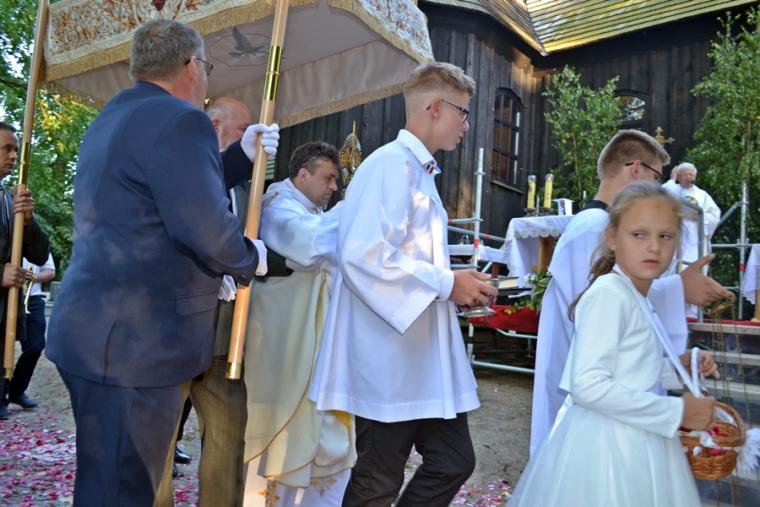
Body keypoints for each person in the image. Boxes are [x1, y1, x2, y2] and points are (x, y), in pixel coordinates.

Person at [45, 19, 277, 506]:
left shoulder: (113, 114)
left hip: (94, 332)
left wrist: (240, 156)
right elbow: (204, 227)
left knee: (105, 483)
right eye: (207, 66)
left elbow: (163, 189)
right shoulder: (182, 121)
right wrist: (248, 257)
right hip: (137, 344)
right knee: (123, 491)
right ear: (191, 65)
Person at [309, 62, 498, 507]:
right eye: (462, 113)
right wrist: (446, 283)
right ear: (434, 107)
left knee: (453, 460)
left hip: (419, 358)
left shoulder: (417, 170)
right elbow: (363, 253)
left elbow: (410, 256)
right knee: (377, 481)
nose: (466, 125)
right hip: (388, 362)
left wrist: (459, 286)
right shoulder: (389, 166)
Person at [509, 182, 718, 506]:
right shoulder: (609, 294)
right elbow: (588, 385)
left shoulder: (633, 293)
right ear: (612, 238)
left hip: (636, 435)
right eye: (639, 234)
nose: (653, 247)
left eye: (665, 236)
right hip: (608, 447)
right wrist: (676, 411)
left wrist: (678, 367)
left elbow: (629, 371)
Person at [529, 130, 730, 455]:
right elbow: (605, 309)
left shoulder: (601, 226)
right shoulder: (593, 227)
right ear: (636, 169)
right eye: (657, 177)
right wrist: (679, 288)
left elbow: (626, 330)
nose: (659, 188)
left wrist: (678, 364)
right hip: (592, 422)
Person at [155, 95, 277, 505]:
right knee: (159, 445)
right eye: (244, 129)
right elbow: (192, 215)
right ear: (215, 126)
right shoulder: (182, 167)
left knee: (228, 445)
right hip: (175, 336)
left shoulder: (245, 188)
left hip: (226, 339)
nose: (252, 138)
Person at [243, 141, 354, 506]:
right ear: (302, 175)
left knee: (316, 428)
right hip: (283, 344)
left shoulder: (313, 211)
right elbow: (309, 244)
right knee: (280, 435)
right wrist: (357, 206)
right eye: (328, 178)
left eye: (336, 180)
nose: (334, 187)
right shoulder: (277, 206)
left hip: (310, 340)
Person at [0, 121, 50, 420]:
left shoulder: (11, 200)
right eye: (6, 148)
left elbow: (40, 255)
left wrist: (29, 221)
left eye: (16, 150)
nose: (13, 156)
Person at [6, 253, 56, 411]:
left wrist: (33, 277)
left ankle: (16, 391)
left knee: (35, 346)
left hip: (32, 298)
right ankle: (1, 395)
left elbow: (50, 271)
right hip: (4, 296)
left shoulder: (37, 242)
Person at [667, 162, 721, 268]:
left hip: (695, 237)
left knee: (693, 266)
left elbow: (715, 215)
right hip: (676, 236)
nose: (689, 178)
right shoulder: (672, 190)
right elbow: (660, 194)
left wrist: (700, 217)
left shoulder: (702, 195)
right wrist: (672, 179)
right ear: (679, 177)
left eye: (691, 175)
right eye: (685, 175)